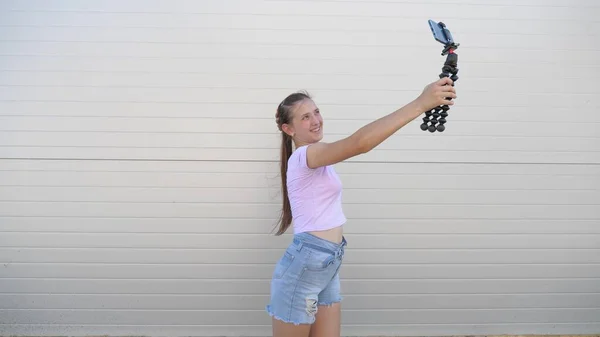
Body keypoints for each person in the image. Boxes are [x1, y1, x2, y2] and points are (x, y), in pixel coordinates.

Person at [266, 77, 457, 337]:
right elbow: (360, 143)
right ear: (289, 130)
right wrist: (421, 104)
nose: (316, 121)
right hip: (304, 267)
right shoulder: (306, 155)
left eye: (317, 112)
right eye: (305, 117)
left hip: (327, 263)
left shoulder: (318, 157)